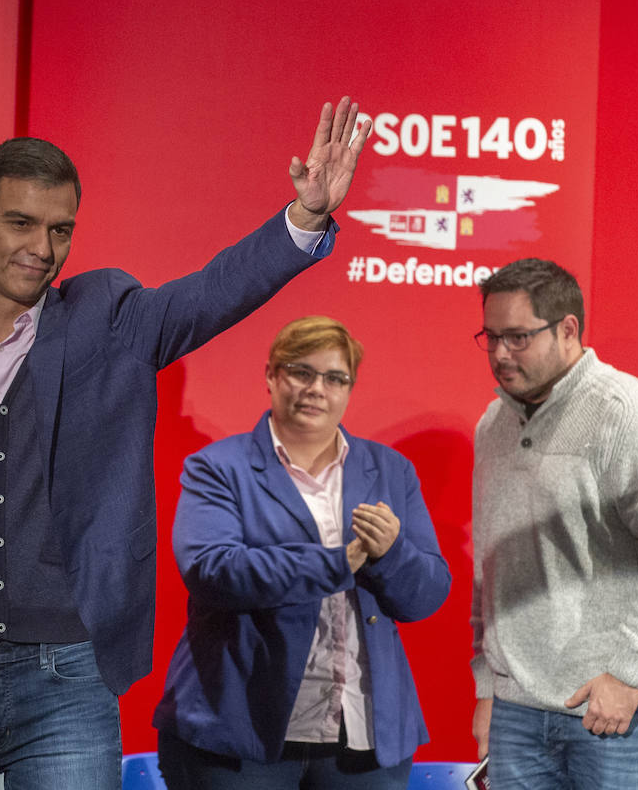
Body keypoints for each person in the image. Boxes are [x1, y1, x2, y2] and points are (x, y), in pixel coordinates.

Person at [0, 97, 371, 788]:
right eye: (20, 222)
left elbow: (212, 292)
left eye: (60, 230)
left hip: (66, 678)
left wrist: (306, 218)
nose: (42, 249)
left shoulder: (108, 318)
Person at [153, 316, 450, 788]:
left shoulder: (391, 470)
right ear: (271, 375)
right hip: (239, 738)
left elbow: (426, 596)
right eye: (301, 372)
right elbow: (211, 570)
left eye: (335, 378)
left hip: (363, 739)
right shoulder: (217, 468)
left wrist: (392, 553)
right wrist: (335, 563)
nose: (317, 388)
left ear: (350, 389)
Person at [468, 258, 638, 789]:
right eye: (491, 337)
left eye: (518, 337)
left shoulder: (628, 415)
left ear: (568, 330)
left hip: (624, 706)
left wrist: (628, 671)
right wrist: (488, 683)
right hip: (519, 707)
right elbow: (493, 561)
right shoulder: (493, 426)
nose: (501, 353)